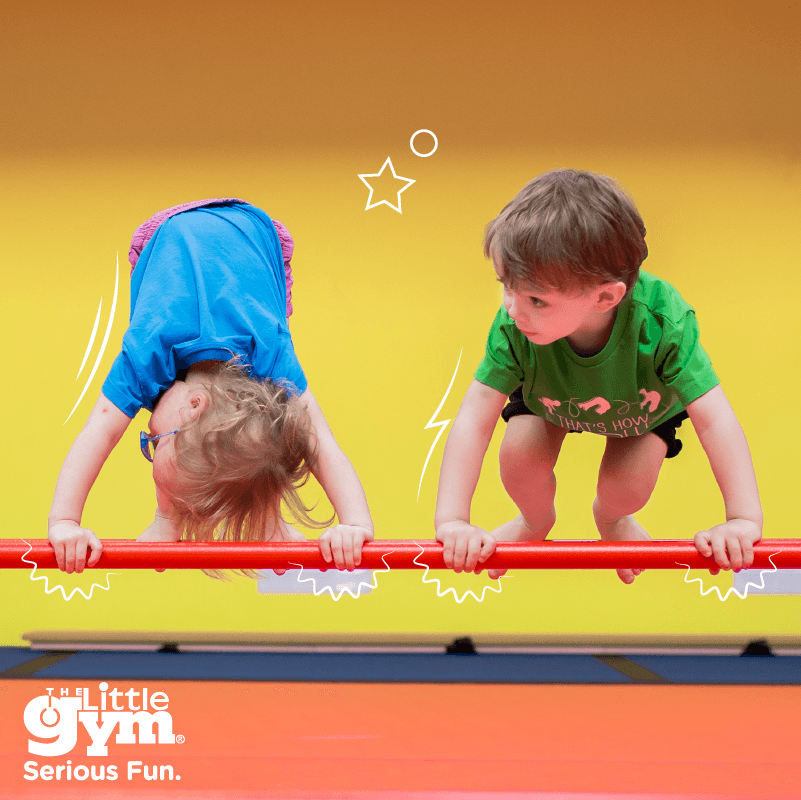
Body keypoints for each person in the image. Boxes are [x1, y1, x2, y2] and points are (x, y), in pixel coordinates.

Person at [435, 169, 762, 583]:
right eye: (507, 287)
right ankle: (534, 521)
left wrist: (742, 518)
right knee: (519, 463)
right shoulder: (517, 325)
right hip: (549, 396)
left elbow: (715, 420)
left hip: (639, 408)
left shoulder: (663, 322)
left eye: (536, 299)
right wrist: (453, 520)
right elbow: (474, 417)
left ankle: (612, 519)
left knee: (624, 489)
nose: (513, 309)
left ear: (606, 297)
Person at [48, 199, 373, 575]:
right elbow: (98, 434)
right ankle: (168, 519)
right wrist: (65, 521)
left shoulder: (269, 354)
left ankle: (265, 523)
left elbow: (319, 444)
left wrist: (355, 524)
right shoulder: (148, 352)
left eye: (152, 444)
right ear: (194, 404)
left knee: (259, 442)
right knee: (224, 444)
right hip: (195, 234)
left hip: (244, 253)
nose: (148, 433)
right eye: (155, 443)